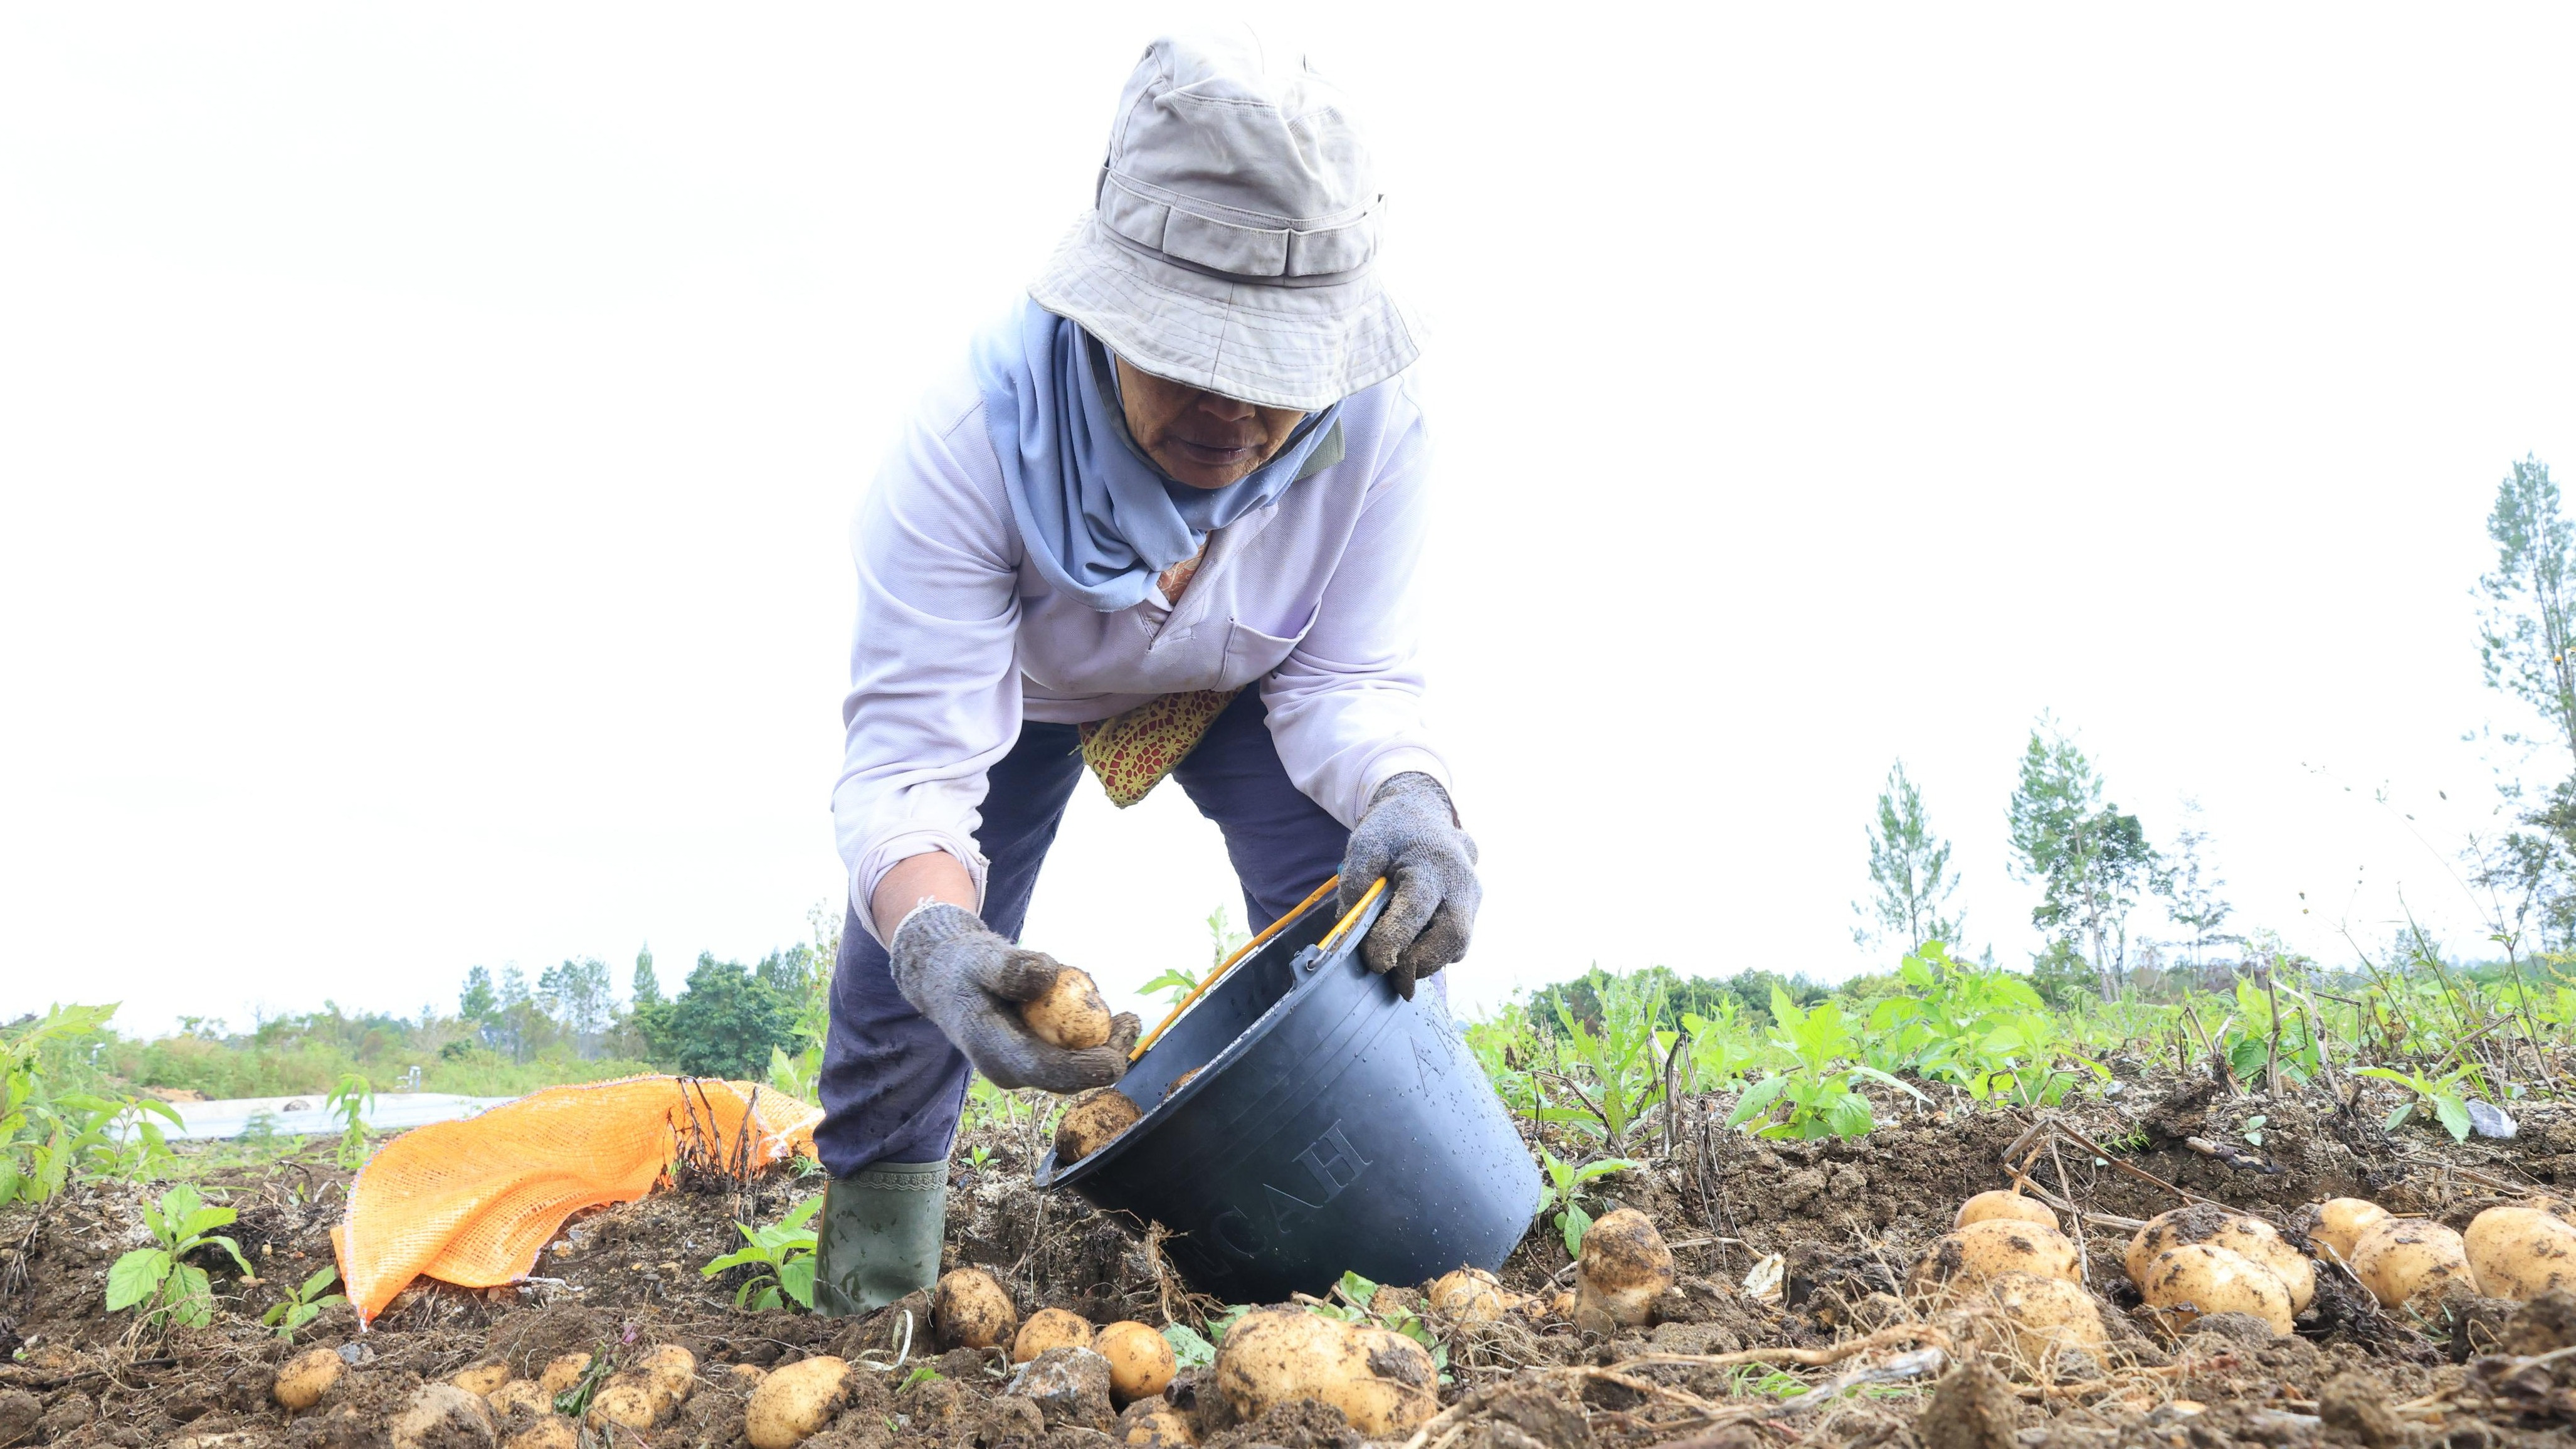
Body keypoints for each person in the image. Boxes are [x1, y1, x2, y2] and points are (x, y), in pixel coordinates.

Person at [813, 33, 1479, 1315]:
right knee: (921, 970)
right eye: (1190, 361)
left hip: (1251, 683)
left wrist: (1410, 798)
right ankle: (874, 1289)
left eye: (1273, 376)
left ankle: (1410, 1254)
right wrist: (945, 942)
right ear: (1109, 313)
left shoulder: (1377, 432)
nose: (1233, 416)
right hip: (1023, 692)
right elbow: (913, 762)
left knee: (1355, 936)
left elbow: (1351, 678)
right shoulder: (971, 446)